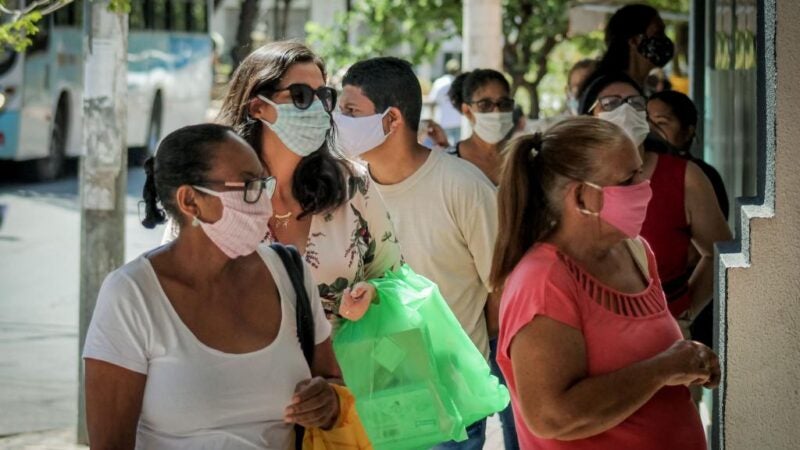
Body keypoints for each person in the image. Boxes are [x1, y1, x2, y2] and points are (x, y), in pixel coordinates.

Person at [83, 124, 341, 448]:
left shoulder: (289, 274)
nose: (264, 199)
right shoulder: (131, 295)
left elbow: (333, 383)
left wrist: (328, 402)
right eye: (248, 185)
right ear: (191, 201)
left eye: (263, 183)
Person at [491, 117, 721, 450]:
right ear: (583, 197)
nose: (645, 186)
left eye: (641, 171)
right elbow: (552, 417)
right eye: (629, 179)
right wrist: (664, 369)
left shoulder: (636, 251)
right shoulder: (542, 283)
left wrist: (690, 360)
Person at [334, 57, 500, 450]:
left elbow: (501, 289)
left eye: (350, 111)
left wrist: (468, 366)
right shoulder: (343, 190)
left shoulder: (463, 188)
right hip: (373, 401)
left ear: (391, 120)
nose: (338, 121)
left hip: (448, 407)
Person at [212, 41, 403, 320]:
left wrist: (371, 293)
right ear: (257, 107)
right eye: (300, 96)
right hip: (242, 362)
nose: (316, 108)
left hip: (341, 362)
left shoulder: (352, 184)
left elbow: (396, 277)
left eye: (324, 96)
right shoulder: (213, 192)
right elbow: (178, 290)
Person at [579, 73, 732, 335]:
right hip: (592, 337)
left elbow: (720, 252)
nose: (625, 110)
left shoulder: (684, 177)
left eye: (635, 102)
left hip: (667, 342)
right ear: (589, 117)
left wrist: (686, 313)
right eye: (611, 103)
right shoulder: (571, 181)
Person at [647, 89, 731, 348]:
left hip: (688, 309)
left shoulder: (696, 177)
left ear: (688, 131)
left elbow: (710, 251)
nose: (651, 128)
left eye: (662, 123)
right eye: (647, 119)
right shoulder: (626, 173)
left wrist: (686, 311)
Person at [581, 4, 674, 95]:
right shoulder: (616, 91)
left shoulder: (630, 86)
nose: (664, 40)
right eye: (658, 33)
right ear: (634, 41)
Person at [446, 68, 516, 185]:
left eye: (504, 103)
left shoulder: (523, 158)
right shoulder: (448, 162)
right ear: (467, 111)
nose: (496, 112)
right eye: (485, 105)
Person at [428, 59, 463, 144]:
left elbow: (432, 102)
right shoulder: (460, 83)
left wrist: (431, 120)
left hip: (443, 121)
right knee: (456, 150)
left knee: (444, 150)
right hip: (458, 121)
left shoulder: (439, 83)